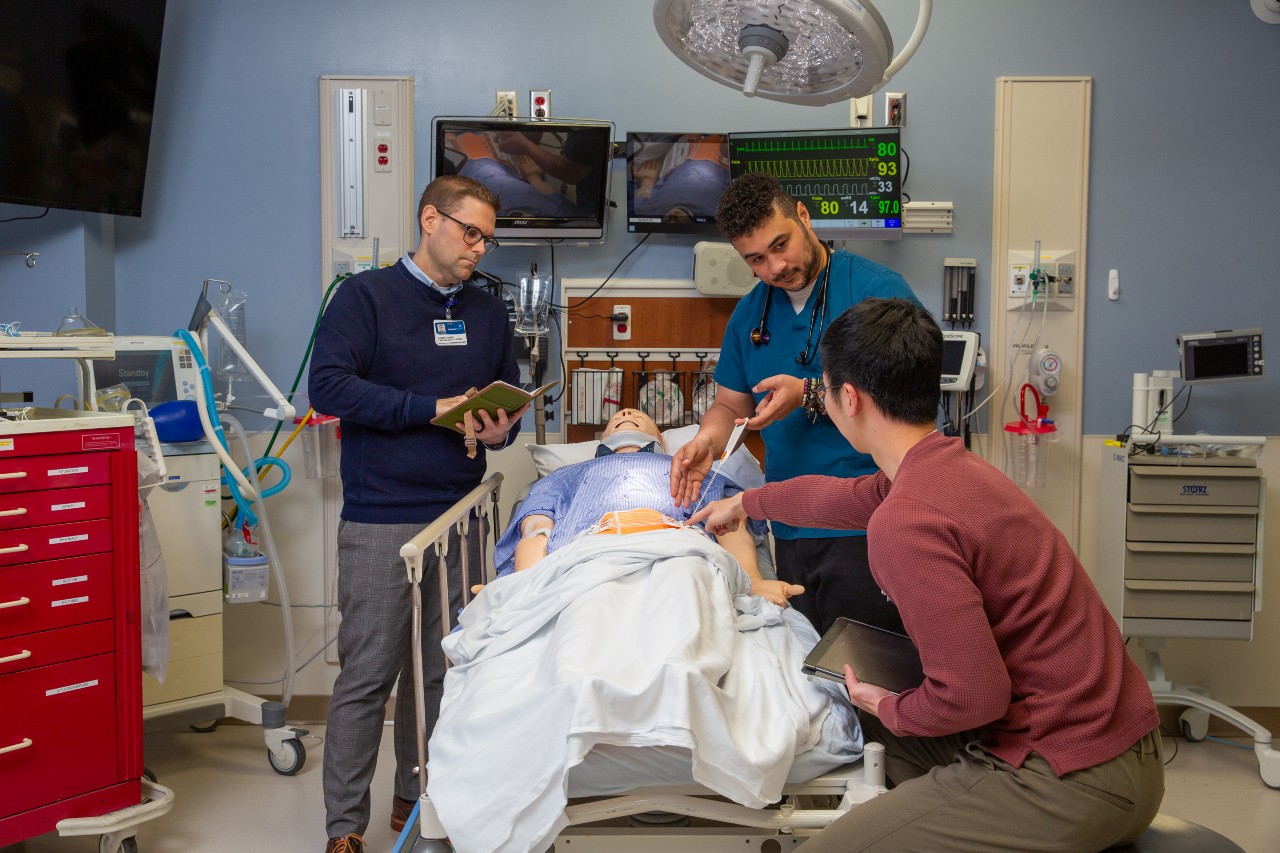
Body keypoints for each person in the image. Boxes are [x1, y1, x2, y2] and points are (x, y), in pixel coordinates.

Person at [691, 298, 1163, 852]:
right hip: (1116, 743)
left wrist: (886, 703)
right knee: (869, 730)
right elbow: (843, 497)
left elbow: (975, 697)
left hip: (1073, 774)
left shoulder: (907, 524)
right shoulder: (946, 466)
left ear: (849, 398)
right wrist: (748, 502)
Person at [308, 174, 527, 853]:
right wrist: (428, 409)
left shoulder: (488, 313)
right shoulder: (363, 298)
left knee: (440, 673)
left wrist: (498, 431)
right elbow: (331, 386)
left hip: (461, 516)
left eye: (488, 238)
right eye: (470, 232)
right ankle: (344, 826)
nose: (479, 248)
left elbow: (510, 400)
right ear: (429, 220)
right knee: (369, 674)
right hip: (383, 515)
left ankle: (418, 798)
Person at [671, 171, 921, 637]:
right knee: (808, 680)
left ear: (803, 216)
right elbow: (729, 404)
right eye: (756, 260)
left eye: (781, 245)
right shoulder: (750, 313)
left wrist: (806, 394)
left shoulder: (874, 290)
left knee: (872, 679)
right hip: (789, 528)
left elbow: (905, 396)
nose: (774, 267)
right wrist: (707, 439)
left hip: (869, 524)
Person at [494, 407, 802, 607]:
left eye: (640, 417)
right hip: (588, 555)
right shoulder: (566, 475)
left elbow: (731, 526)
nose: (626, 411)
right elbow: (535, 531)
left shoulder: (696, 470)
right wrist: (524, 585)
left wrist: (754, 582)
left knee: (686, 602)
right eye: (616, 419)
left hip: (679, 553)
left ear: (661, 442)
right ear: (603, 439)